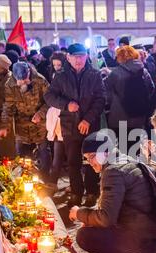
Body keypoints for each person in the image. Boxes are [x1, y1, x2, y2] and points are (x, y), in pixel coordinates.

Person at [71, 131, 156, 253]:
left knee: (84, 236)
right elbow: (110, 202)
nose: (89, 162)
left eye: (91, 156)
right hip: (155, 231)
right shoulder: (126, 160)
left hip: (144, 236)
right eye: (86, 158)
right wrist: (92, 219)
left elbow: (106, 219)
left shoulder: (113, 172)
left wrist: (79, 213)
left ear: (104, 153)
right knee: (94, 226)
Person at [44, 43, 106, 207]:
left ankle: (92, 192)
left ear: (86, 57)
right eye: (76, 57)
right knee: (73, 162)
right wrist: (65, 105)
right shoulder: (61, 76)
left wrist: (88, 119)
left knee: (93, 160)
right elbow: (49, 96)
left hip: (91, 125)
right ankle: (76, 193)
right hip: (69, 125)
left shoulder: (94, 74)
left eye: (82, 56)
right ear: (69, 58)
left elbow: (101, 99)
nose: (79, 60)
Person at [0, 62, 51, 180]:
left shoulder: (40, 80)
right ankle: (24, 181)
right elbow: (8, 106)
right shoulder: (10, 84)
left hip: (40, 125)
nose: (23, 83)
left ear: (29, 74)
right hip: (21, 126)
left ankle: (45, 180)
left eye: (26, 81)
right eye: (20, 81)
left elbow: (51, 101)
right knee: (21, 156)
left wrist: (40, 114)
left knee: (44, 153)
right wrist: (5, 126)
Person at [105, 45, 154, 154]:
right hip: (139, 116)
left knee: (123, 150)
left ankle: (125, 170)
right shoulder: (144, 71)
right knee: (137, 148)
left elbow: (107, 95)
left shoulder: (116, 73)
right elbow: (151, 89)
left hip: (119, 117)